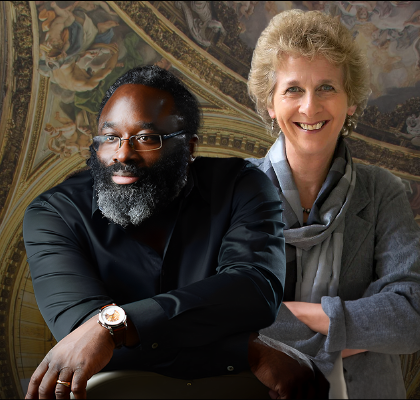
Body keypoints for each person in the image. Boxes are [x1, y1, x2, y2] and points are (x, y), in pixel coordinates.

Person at [23, 65, 328, 399]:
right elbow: (83, 341)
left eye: (146, 138)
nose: (123, 154)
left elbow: (254, 291)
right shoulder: (53, 213)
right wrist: (247, 352)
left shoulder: (242, 186)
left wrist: (114, 326)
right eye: (110, 137)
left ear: (189, 147)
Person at [246, 9, 420, 399]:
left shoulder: (383, 191)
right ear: (270, 103)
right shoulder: (235, 189)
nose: (310, 107)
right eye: (293, 89)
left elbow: (411, 318)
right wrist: (354, 326)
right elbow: (219, 311)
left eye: (327, 88)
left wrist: (290, 315)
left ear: (351, 102)